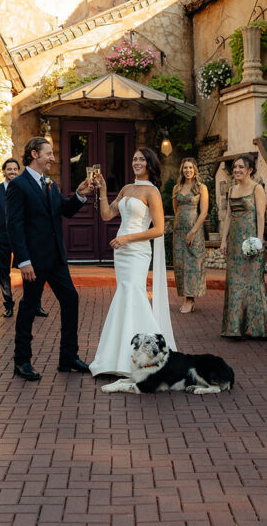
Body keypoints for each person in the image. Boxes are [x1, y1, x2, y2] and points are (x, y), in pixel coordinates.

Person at [5, 137, 95, 381]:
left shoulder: (50, 184)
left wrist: (80, 194)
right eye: (49, 153)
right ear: (34, 154)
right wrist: (23, 261)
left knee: (71, 299)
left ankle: (68, 357)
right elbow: (14, 225)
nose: (53, 158)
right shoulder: (19, 185)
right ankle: (22, 362)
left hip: (56, 258)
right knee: (29, 308)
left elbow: (64, 210)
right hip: (33, 261)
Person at [90, 148, 177, 376]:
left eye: (142, 159)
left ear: (150, 164)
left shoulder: (153, 193)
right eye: (134, 159)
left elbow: (158, 229)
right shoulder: (127, 188)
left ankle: (153, 354)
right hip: (122, 252)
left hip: (137, 250)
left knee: (134, 294)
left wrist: (127, 238)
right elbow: (107, 215)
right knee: (124, 294)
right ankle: (118, 357)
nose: (137, 162)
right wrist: (103, 190)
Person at [220, 155, 267, 338]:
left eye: (241, 167)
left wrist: (259, 241)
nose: (237, 170)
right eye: (235, 167)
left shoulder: (257, 188)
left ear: (250, 169)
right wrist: (223, 240)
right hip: (235, 242)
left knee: (253, 282)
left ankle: (256, 328)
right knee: (235, 283)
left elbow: (261, 215)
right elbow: (228, 216)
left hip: (250, 241)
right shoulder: (232, 189)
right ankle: (234, 328)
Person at [0, 158, 42, 319]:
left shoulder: (25, 189)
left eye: (15, 169)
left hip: (24, 238)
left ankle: (35, 303)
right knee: (4, 272)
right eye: (9, 169)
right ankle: (8, 305)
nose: (13, 172)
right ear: (4, 172)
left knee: (30, 270)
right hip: (3, 237)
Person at [172, 157, 208, 314]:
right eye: (185, 168)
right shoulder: (177, 188)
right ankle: (186, 297)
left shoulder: (201, 188)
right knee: (180, 264)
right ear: (182, 170)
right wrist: (181, 226)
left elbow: (204, 212)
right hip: (178, 231)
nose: (187, 171)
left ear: (195, 170)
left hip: (194, 231)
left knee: (193, 264)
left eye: (190, 168)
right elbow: (176, 209)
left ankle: (190, 299)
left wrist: (192, 231)